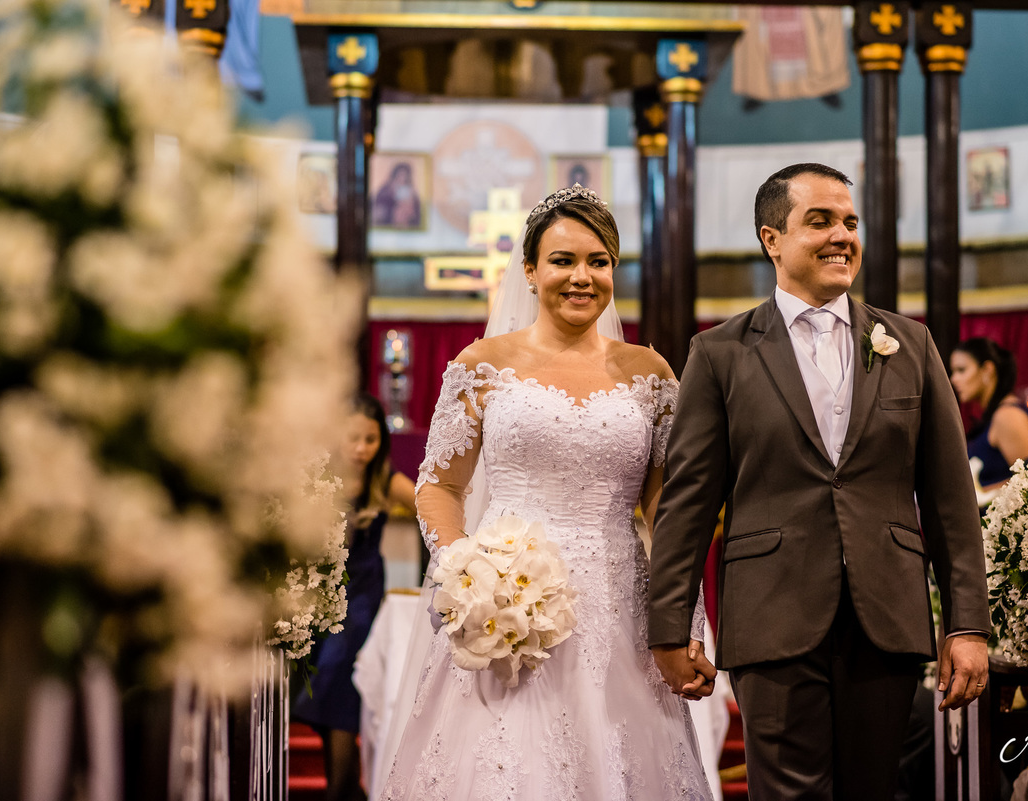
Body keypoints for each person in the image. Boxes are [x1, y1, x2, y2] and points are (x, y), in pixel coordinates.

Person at [646, 163, 991, 801]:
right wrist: (671, 628)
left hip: (885, 617)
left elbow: (949, 501)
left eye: (850, 222)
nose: (842, 235)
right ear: (771, 238)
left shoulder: (909, 344)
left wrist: (967, 623)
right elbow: (688, 503)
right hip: (771, 616)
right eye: (821, 221)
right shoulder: (720, 354)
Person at [379, 186, 715, 800]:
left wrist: (685, 620)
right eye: (562, 261)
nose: (581, 276)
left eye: (599, 261)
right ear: (530, 271)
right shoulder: (482, 364)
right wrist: (464, 571)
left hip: (621, 604)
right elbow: (439, 485)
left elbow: (669, 509)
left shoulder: (650, 372)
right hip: (504, 605)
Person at [293, 393, 416, 801]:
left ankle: (340, 788)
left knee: (338, 676)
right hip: (323, 596)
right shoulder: (320, 478)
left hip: (362, 596)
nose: (362, 448)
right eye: (353, 439)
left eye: (371, 439)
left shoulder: (385, 480)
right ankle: (346, 787)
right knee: (328, 682)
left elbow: (431, 507)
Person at [949, 337, 1028, 495]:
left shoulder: (1008, 415)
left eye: (961, 370)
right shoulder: (994, 414)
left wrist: (979, 494)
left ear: (987, 369)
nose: (953, 379)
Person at [372, 162, 422, 229]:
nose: (402, 179)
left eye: (405, 176)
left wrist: (409, 201)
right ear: (394, 175)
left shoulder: (411, 191)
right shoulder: (386, 189)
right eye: (400, 175)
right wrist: (390, 194)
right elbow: (378, 206)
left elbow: (416, 213)